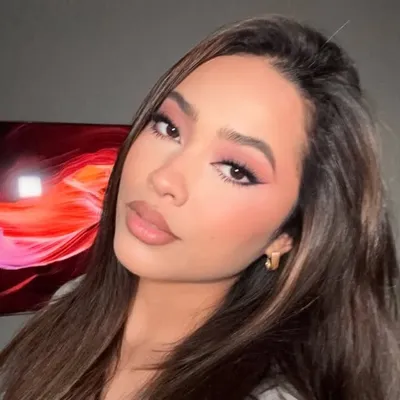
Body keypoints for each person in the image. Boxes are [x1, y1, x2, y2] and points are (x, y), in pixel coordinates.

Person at [0, 14, 399, 400]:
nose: (164, 178)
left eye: (235, 170)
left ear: (286, 235)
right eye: (168, 127)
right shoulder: (69, 306)